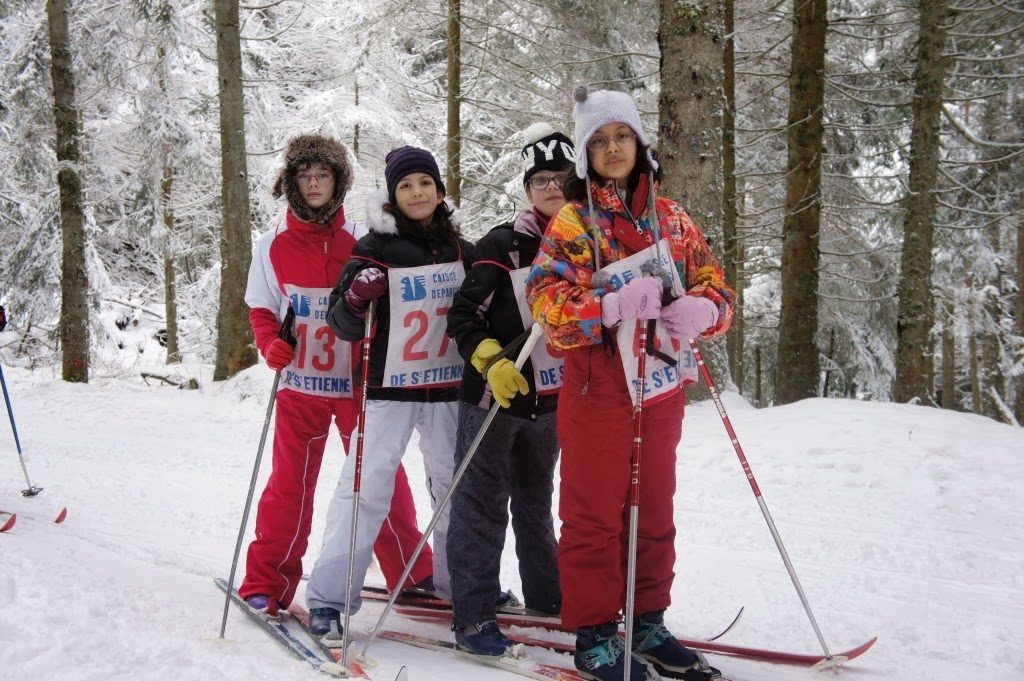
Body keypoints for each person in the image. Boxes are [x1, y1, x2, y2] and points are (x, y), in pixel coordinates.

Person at [525, 87, 735, 681]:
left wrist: (706, 309)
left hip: (661, 383)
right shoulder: (574, 222)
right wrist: (609, 306)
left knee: (654, 507)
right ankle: (594, 630)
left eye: (622, 136)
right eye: (598, 141)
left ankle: (647, 619)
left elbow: (715, 285)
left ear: (640, 143)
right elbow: (545, 300)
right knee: (594, 512)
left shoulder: (672, 217)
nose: (612, 148)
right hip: (598, 386)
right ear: (584, 154)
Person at [240, 134, 434, 616]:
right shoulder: (272, 244)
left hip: (357, 385)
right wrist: (270, 343)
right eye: (304, 176)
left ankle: (412, 572)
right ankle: (267, 579)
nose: (313, 184)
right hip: (301, 385)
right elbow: (261, 307)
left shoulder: (362, 237)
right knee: (289, 485)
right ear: (291, 183)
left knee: (380, 480)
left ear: (338, 180)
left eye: (322, 175)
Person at [306, 146, 475, 637]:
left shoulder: (462, 249)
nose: (417, 193)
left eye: (425, 183)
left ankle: (459, 585)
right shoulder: (375, 246)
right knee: (365, 486)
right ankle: (330, 597)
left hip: (447, 388)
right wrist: (357, 295)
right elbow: (341, 322)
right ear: (392, 195)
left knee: (454, 487)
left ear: (440, 191)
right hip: (389, 388)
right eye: (405, 186)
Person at [444, 123, 574, 656]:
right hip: (494, 399)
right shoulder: (503, 243)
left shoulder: (590, 245)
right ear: (527, 189)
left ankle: (548, 598)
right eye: (540, 180)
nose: (551, 187)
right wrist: (490, 359)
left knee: (537, 503)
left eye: (561, 177)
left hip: (552, 401)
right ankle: (474, 617)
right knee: (482, 505)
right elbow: (462, 316)